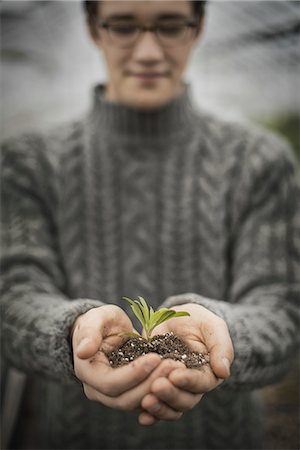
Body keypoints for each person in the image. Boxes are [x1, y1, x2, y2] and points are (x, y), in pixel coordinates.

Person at [1, 1, 299, 449]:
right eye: (123, 26)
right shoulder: (27, 163)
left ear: (197, 27)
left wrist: (220, 332)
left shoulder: (260, 162)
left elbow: (281, 309)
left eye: (170, 26)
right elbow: (13, 297)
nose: (147, 52)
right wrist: (70, 332)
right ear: (93, 29)